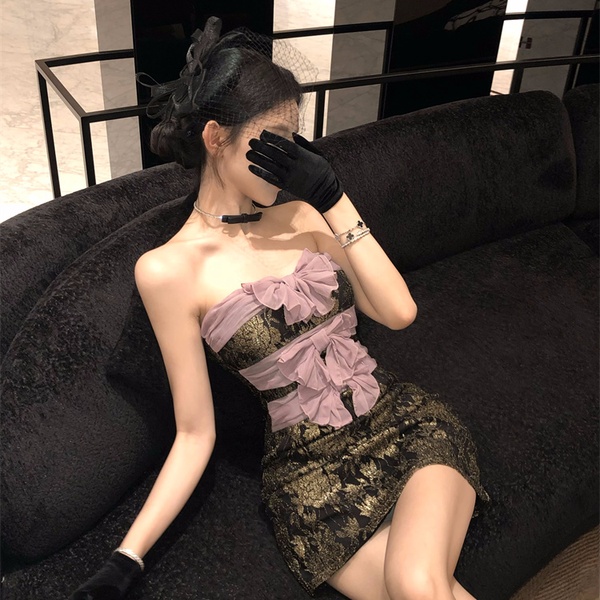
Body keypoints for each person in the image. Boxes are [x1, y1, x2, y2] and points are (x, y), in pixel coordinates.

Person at [70, 16, 491, 600]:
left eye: (294, 142)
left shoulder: (302, 216)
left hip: (401, 425)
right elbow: (194, 432)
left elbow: (398, 313)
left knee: (413, 581)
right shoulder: (165, 271)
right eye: (273, 140)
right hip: (308, 476)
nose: (287, 157)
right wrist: (125, 560)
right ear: (215, 137)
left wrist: (334, 197)